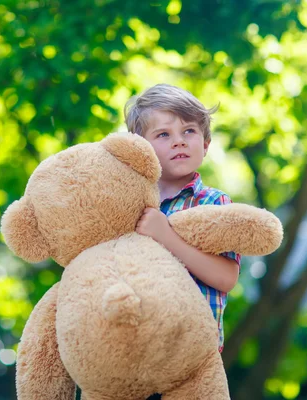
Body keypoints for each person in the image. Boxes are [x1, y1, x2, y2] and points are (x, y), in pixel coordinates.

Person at [124, 84, 241, 399]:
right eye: (163, 134)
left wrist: (167, 237)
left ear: (205, 144)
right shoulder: (129, 204)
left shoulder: (214, 203)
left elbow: (226, 278)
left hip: (190, 358)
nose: (178, 140)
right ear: (140, 149)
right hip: (133, 354)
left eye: (188, 131)